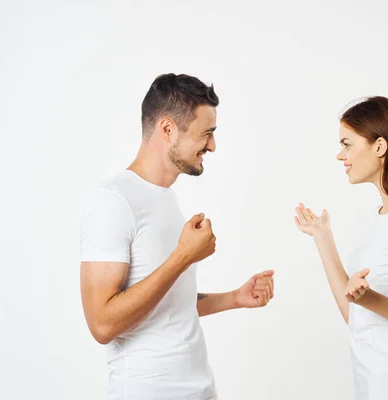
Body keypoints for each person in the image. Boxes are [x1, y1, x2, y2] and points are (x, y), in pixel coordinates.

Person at [79, 73, 275, 400]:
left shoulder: (164, 197)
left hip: (199, 389)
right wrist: (182, 257)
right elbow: (102, 324)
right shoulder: (113, 201)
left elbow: (167, 304)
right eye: (206, 133)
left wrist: (234, 298)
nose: (212, 145)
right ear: (168, 130)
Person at [294, 96, 388, 399]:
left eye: (347, 144)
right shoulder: (381, 218)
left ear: (379, 146)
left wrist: (369, 298)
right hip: (371, 388)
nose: (340, 155)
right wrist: (323, 238)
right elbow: (355, 316)